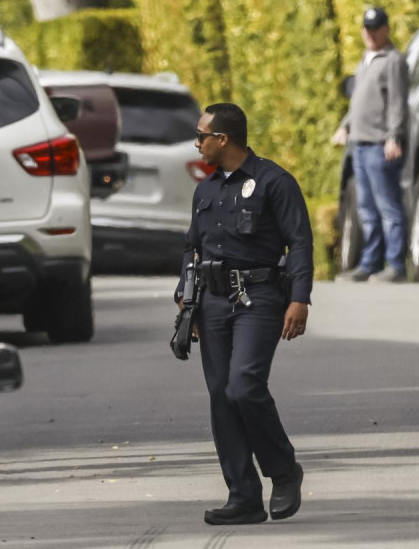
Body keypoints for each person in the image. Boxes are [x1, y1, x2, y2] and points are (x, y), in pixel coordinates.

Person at [176, 102, 311, 526]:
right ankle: (244, 496)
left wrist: (300, 298)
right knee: (221, 396)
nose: (197, 142)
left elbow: (300, 241)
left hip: (259, 296)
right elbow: (191, 248)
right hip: (212, 301)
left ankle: (284, 471)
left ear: (223, 139)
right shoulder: (206, 190)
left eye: (202, 135)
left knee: (244, 385)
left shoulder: (274, 181)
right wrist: (186, 297)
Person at [331, 5, 409, 283]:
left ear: (386, 29)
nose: (371, 33)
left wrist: (394, 136)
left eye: (376, 28)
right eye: (367, 28)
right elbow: (358, 102)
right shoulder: (365, 59)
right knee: (366, 209)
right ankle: (369, 263)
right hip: (359, 144)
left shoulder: (393, 60)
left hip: (379, 144)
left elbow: (398, 102)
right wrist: (345, 124)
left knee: (388, 207)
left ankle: (396, 265)